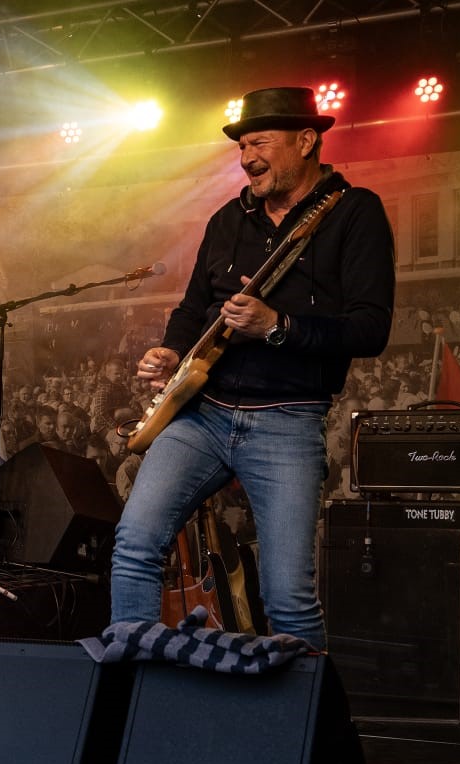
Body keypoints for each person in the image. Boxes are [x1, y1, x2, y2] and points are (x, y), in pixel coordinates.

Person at [110, 86, 395, 649]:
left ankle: (305, 727)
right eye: (242, 146)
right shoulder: (227, 219)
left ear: (307, 140)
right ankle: (133, 693)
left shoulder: (354, 212)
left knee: (288, 594)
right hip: (204, 415)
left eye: (259, 142)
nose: (247, 158)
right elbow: (193, 308)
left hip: (288, 421)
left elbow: (371, 328)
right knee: (135, 549)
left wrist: (277, 326)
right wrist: (171, 350)